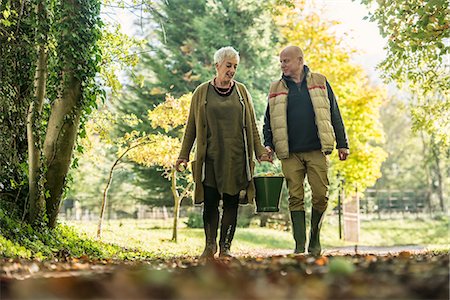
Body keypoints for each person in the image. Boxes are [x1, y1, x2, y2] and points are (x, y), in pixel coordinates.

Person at [176, 46, 270, 258]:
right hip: (209, 157)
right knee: (210, 202)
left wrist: (260, 151)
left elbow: (252, 125)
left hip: (236, 157)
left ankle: (225, 247)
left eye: (235, 66)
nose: (232, 70)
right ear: (217, 65)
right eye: (228, 65)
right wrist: (183, 155)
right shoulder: (201, 92)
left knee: (231, 202)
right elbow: (191, 126)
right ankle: (210, 247)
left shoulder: (241, 91)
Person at [263, 46, 349, 256]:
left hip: (316, 149)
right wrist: (268, 144)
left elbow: (334, 112)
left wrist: (342, 143)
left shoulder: (320, 81)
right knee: (295, 197)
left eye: (286, 61)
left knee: (321, 195)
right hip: (289, 152)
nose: (282, 65)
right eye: (281, 61)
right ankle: (300, 244)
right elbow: (268, 120)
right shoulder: (276, 87)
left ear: (299, 60)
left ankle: (315, 239)